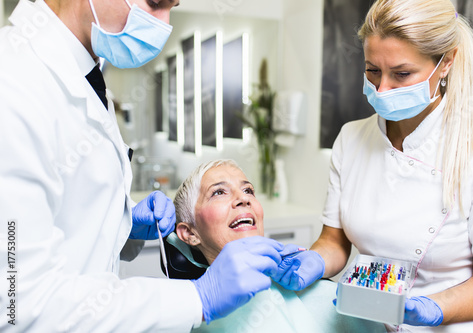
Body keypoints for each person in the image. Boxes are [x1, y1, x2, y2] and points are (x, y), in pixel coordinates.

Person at [0, 1, 284, 331]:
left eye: (172, 7)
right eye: (155, 2)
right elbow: (15, 303)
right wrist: (196, 298)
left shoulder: (85, 78)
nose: (164, 24)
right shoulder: (13, 82)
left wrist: (122, 222)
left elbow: (66, 219)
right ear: (187, 233)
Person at [272, 0, 473, 332]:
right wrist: (314, 261)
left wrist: (434, 308)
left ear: (447, 62)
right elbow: (335, 242)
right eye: (372, 71)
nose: (382, 89)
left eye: (402, 74)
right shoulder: (351, 139)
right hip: (368, 321)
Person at [169, 159, 387, 332]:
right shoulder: (191, 316)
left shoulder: (322, 291)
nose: (243, 199)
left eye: (248, 191)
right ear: (189, 233)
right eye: (218, 192)